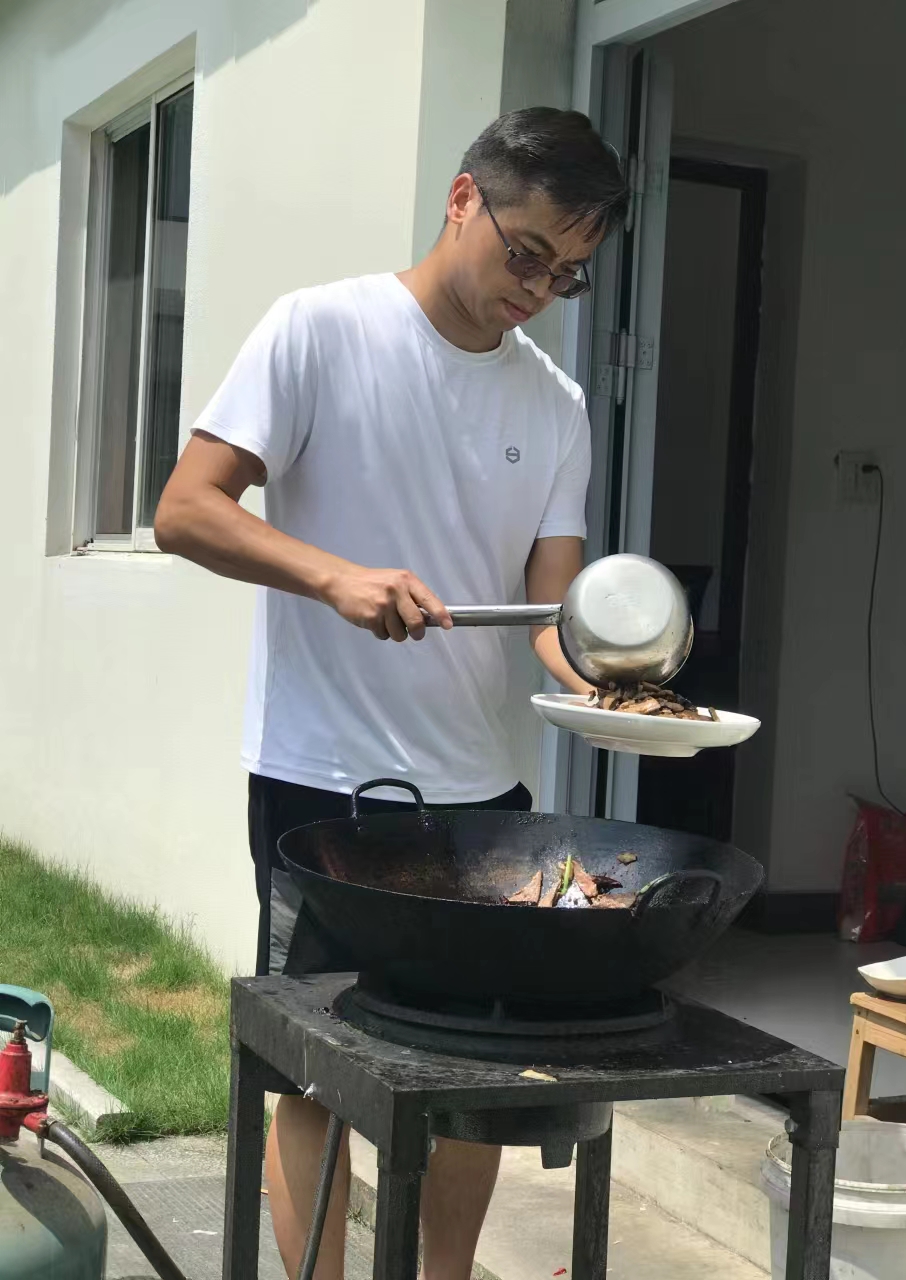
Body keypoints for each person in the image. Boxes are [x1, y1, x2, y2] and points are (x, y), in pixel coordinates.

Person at [155, 106, 628, 1280]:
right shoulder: (319, 330)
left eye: (567, 275)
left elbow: (551, 616)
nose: (538, 290)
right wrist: (334, 576)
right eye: (527, 253)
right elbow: (186, 508)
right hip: (323, 783)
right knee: (313, 1069)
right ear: (464, 199)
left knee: (473, 1073)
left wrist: (614, 688)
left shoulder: (556, 405)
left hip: (484, 795)